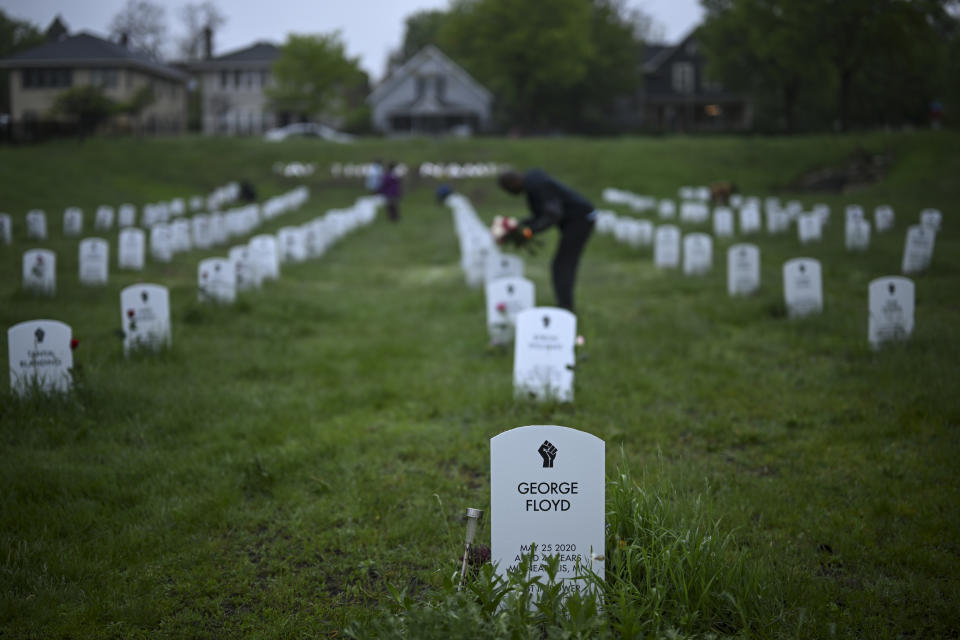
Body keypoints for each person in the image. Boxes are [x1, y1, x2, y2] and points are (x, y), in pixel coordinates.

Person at [497, 169, 595, 313]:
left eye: (507, 189)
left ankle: (565, 309)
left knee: (563, 264)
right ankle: (564, 306)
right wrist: (518, 226)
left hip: (580, 220)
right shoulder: (532, 183)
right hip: (575, 220)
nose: (509, 193)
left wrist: (528, 232)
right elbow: (540, 215)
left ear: (513, 183)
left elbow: (552, 214)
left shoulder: (537, 185)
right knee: (562, 264)